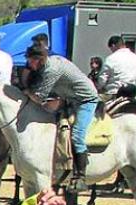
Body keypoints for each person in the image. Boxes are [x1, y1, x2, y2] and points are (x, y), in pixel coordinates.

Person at [23, 45, 99, 191]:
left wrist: (26, 93)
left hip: (85, 100)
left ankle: (80, 176)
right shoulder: (48, 64)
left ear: (38, 60)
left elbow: (39, 97)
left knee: (77, 135)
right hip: (70, 98)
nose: (29, 65)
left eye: (30, 61)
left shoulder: (51, 70)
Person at [99, 35, 136, 100]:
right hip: (132, 93)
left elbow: (103, 79)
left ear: (113, 45)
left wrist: (100, 86)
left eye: (111, 48)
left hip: (114, 92)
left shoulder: (111, 59)